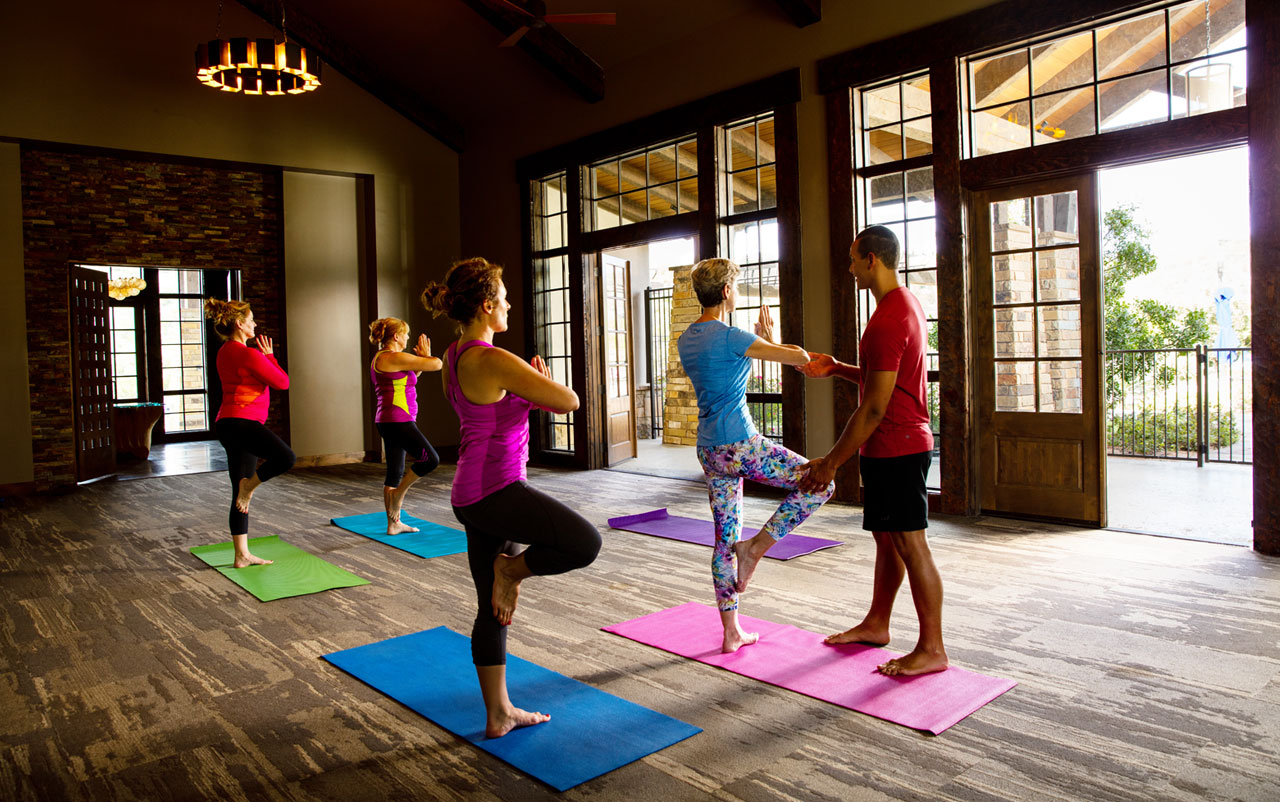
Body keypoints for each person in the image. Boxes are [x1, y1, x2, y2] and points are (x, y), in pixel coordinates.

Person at [421, 257, 601, 738]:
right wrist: (534, 382)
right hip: (497, 489)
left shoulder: (456, 354)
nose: (508, 305)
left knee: (493, 606)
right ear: (485, 305)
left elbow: (493, 412)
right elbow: (570, 401)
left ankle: (498, 712)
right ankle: (512, 570)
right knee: (585, 543)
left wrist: (524, 387)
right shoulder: (493, 358)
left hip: (471, 492)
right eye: (502, 298)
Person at [797, 225, 947, 676]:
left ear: (871, 260)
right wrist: (839, 368)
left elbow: (875, 407)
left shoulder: (887, 318)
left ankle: (933, 649)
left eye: (852, 258)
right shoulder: (904, 304)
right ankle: (877, 623)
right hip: (891, 446)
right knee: (887, 540)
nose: (848, 267)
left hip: (898, 444)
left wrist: (829, 463)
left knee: (910, 542)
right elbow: (887, 377)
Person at [676, 258, 834, 654]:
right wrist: (773, 338)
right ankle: (757, 547)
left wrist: (761, 345)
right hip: (741, 444)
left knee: (722, 538)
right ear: (727, 292)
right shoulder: (732, 335)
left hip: (710, 449)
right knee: (820, 482)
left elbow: (732, 372)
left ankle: (731, 632)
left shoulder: (687, 338)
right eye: (737, 286)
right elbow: (798, 357)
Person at [203, 298, 295, 568]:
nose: (255, 323)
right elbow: (282, 382)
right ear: (240, 324)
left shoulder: (224, 351)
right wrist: (269, 356)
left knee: (238, 494)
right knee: (286, 458)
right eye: (251, 319)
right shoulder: (249, 353)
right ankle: (249, 486)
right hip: (243, 422)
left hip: (227, 423)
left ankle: (241, 554)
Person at [368, 317, 444, 535]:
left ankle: (393, 524)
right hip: (398, 421)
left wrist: (419, 361)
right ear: (397, 336)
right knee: (430, 459)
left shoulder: (383, 358)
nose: (408, 337)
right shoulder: (393, 357)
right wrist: (426, 357)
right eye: (406, 334)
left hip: (389, 420)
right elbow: (437, 364)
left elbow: (410, 376)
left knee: (395, 472)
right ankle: (398, 495)